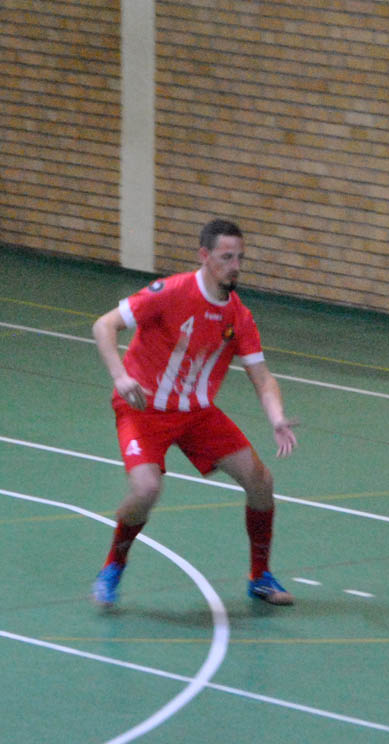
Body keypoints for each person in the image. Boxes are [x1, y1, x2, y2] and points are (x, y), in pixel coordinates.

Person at [90, 219, 298, 608]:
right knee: (146, 489)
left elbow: (262, 378)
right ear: (204, 256)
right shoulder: (170, 292)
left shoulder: (239, 315)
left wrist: (276, 417)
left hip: (196, 413)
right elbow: (104, 326)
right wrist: (120, 376)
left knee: (261, 481)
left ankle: (260, 576)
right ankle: (113, 565)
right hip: (143, 408)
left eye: (240, 258)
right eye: (226, 257)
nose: (235, 266)